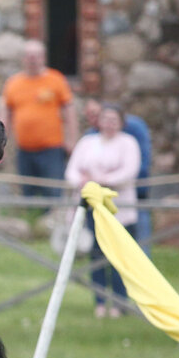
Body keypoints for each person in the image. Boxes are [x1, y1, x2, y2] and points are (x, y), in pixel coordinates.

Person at [65, 103, 141, 318]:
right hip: (91, 208)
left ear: (121, 123)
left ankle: (119, 303)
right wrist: (81, 182)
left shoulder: (128, 143)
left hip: (119, 210)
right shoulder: (88, 142)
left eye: (113, 120)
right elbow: (72, 170)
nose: (109, 124)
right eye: (105, 119)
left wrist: (101, 181)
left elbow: (129, 171)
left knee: (118, 257)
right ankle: (99, 302)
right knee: (96, 255)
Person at [0, 39, 78, 206]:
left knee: (54, 193)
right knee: (28, 194)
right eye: (29, 56)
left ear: (43, 57)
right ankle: (33, 228)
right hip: (24, 150)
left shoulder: (55, 79)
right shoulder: (13, 83)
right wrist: (0, 146)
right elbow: (5, 116)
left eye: (36, 56)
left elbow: (69, 112)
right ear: (23, 59)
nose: (32, 59)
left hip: (52, 150)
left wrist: (72, 140)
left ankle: (55, 228)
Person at [83, 97, 152, 254]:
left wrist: (108, 180)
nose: (91, 119)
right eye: (88, 116)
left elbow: (139, 166)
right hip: (100, 199)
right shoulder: (91, 136)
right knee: (100, 249)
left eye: (94, 113)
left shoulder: (133, 132)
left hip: (132, 195)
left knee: (135, 246)